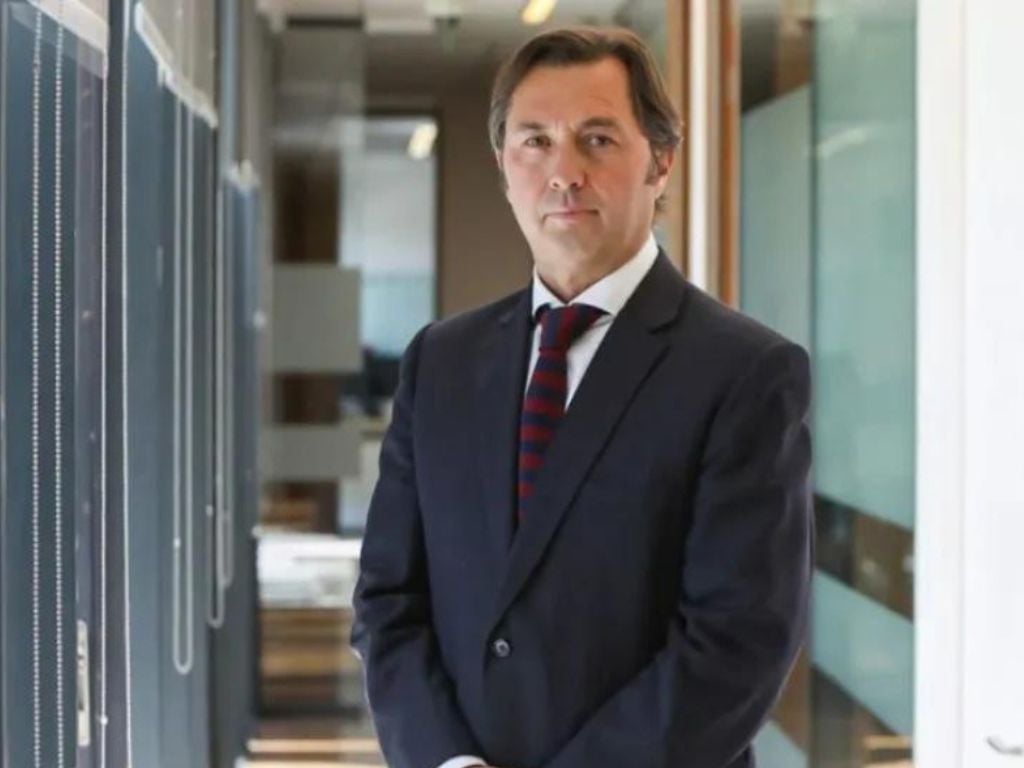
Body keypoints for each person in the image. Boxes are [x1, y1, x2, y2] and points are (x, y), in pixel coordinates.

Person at [351, 25, 812, 768]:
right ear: (504, 167)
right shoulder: (440, 363)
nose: (564, 173)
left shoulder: (745, 373)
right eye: (535, 142)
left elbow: (737, 643)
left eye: (597, 140)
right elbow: (387, 601)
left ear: (661, 160)